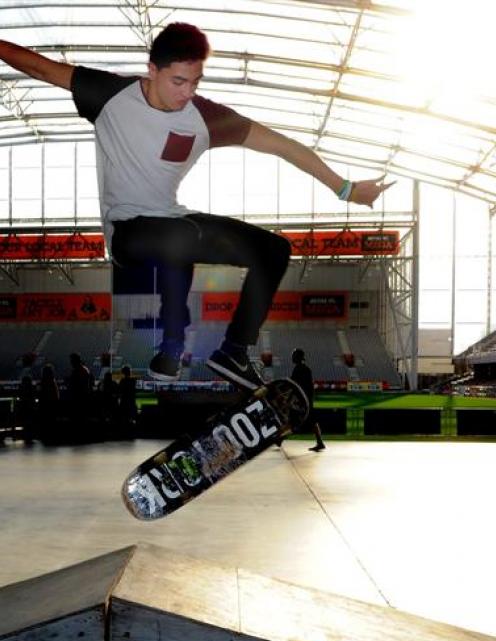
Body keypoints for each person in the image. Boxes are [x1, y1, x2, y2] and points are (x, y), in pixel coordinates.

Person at [0, 25, 393, 390]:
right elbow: (40, 67)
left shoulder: (204, 117)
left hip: (173, 222)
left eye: (195, 81)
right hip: (127, 233)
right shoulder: (109, 94)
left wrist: (344, 188)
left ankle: (234, 351)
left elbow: (283, 146)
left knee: (274, 250)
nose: (187, 92)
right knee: (182, 234)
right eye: (178, 81)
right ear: (152, 70)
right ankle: (172, 347)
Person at [290, 348, 325, 451]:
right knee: (313, 421)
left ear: (297, 357)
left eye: (293, 356)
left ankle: (280, 439)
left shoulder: (298, 369)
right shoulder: (306, 369)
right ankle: (320, 442)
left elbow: (293, 385)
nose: (292, 358)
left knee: (291, 419)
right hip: (307, 399)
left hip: (302, 401)